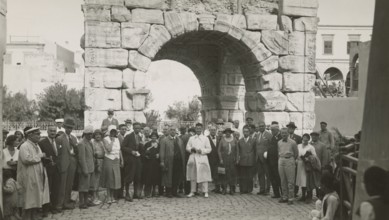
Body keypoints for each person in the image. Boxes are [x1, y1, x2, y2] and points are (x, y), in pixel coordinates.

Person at [17, 127, 50, 220]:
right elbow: (26, 159)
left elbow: (38, 157)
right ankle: (27, 217)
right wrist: (40, 156)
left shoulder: (36, 145)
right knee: (29, 197)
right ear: (30, 135)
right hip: (29, 175)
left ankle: (34, 215)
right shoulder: (24, 146)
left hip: (37, 175)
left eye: (39, 134)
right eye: (37, 134)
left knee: (36, 196)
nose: (39, 136)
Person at [55, 118, 78, 211]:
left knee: (69, 184)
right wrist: (59, 164)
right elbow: (58, 154)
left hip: (72, 162)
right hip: (64, 163)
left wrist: (74, 145)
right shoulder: (59, 138)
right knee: (62, 184)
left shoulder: (74, 138)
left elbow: (77, 151)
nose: (69, 129)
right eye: (68, 128)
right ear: (64, 128)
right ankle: (59, 204)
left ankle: (66, 202)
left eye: (71, 128)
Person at [186, 123, 212, 198]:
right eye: (197, 128)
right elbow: (187, 147)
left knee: (204, 174)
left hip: (202, 157)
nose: (198, 129)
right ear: (195, 129)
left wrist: (202, 151)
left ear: (202, 129)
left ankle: (205, 191)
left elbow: (209, 149)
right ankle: (192, 191)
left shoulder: (205, 138)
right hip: (193, 157)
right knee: (192, 175)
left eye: (200, 128)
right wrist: (191, 149)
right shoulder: (191, 138)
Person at [38, 125, 60, 214]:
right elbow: (40, 156)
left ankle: (54, 207)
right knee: (47, 189)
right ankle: (45, 209)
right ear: (47, 132)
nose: (52, 132)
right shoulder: (42, 143)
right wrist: (46, 161)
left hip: (57, 169)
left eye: (54, 131)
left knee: (55, 189)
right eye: (51, 131)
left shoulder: (58, 142)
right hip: (47, 169)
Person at [160, 127, 185, 198]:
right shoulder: (164, 140)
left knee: (176, 177)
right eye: (171, 130)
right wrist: (162, 161)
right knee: (168, 176)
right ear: (168, 131)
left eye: (174, 130)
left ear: (176, 131)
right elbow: (162, 151)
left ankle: (175, 191)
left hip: (178, 161)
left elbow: (182, 151)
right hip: (169, 161)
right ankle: (168, 192)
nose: (173, 131)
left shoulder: (179, 140)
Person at [100, 125, 122, 204]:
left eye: (114, 131)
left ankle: (112, 196)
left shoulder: (117, 139)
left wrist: (121, 160)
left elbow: (119, 150)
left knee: (115, 179)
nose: (113, 133)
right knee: (109, 178)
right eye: (111, 131)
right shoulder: (105, 139)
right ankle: (108, 196)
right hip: (109, 159)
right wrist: (112, 141)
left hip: (116, 160)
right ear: (109, 132)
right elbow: (108, 149)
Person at [121, 122, 144, 201]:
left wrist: (142, 147)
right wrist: (131, 151)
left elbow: (140, 148)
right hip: (130, 159)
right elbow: (123, 147)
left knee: (137, 176)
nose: (138, 129)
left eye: (139, 128)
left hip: (137, 159)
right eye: (136, 128)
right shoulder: (128, 136)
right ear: (133, 128)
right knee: (129, 177)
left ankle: (135, 193)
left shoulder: (140, 137)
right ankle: (127, 194)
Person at [278, 128, 298, 205]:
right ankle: (285, 197)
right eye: (282, 133)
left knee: (290, 180)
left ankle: (291, 198)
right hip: (281, 160)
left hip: (289, 160)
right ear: (280, 133)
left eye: (285, 133)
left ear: (288, 133)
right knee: (283, 180)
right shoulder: (279, 142)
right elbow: (278, 152)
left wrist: (291, 159)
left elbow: (296, 153)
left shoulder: (293, 142)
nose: (284, 134)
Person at [296, 134, 317, 203]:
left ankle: (309, 196)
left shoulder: (311, 147)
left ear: (308, 139)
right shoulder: (298, 146)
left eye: (306, 139)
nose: (305, 140)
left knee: (307, 180)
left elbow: (314, 156)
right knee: (301, 180)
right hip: (300, 164)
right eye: (304, 139)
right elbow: (296, 154)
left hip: (307, 165)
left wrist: (308, 158)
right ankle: (303, 195)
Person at [77, 126, 95, 209]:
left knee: (87, 186)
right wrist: (85, 170)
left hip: (90, 167)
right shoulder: (81, 143)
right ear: (84, 134)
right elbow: (81, 158)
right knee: (83, 186)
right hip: (85, 168)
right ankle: (81, 202)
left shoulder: (90, 142)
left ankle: (86, 201)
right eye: (88, 134)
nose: (90, 136)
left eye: (91, 134)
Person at [218, 128, 238, 195]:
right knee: (223, 174)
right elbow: (219, 150)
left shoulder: (234, 140)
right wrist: (221, 159)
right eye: (226, 132)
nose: (228, 133)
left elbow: (237, 151)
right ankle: (224, 189)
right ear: (225, 133)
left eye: (229, 132)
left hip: (232, 160)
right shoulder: (222, 140)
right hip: (224, 160)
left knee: (232, 174)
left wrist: (237, 159)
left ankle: (232, 189)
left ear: (231, 133)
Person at [255, 121, 272, 195]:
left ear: (265, 126)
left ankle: (267, 189)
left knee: (267, 174)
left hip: (265, 158)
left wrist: (268, 155)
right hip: (258, 158)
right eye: (260, 126)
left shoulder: (269, 135)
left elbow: (271, 146)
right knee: (260, 174)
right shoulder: (257, 135)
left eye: (262, 126)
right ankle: (262, 189)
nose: (261, 127)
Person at [237, 126, 256, 194]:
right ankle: (242, 189)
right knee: (242, 176)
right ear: (243, 132)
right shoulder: (240, 141)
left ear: (249, 132)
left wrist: (254, 160)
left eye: (247, 131)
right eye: (244, 131)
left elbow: (255, 151)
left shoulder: (253, 140)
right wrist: (238, 159)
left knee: (249, 176)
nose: (245, 133)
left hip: (250, 161)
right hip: (242, 160)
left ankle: (249, 189)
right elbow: (238, 151)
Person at [142, 132, 161, 198]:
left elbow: (160, 152)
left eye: (155, 137)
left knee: (155, 177)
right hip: (148, 163)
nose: (153, 138)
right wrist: (146, 155)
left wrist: (159, 155)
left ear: (157, 137)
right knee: (148, 177)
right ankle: (147, 192)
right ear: (151, 137)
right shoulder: (147, 144)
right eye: (152, 136)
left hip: (156, 163)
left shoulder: (158, 145)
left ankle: (154, 191)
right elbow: (143, 152)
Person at [89, 129, 105, 205]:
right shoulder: (92, 142)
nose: (98, 136)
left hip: (102, 161)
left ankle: (97, 195)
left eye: (99, 134)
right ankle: (94, 197)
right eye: (96, 135)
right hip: (95, 161)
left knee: (98, 180)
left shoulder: (102, 143)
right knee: (94, 180)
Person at [267, 123, 282, 198]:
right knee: (273, 177)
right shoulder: (273, 137)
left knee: (279, 177)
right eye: (271, 130)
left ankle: (282, 193)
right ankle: (276, 193)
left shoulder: (281, 137)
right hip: (270, 161)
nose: (271, 131)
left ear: (277, 130)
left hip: (277, 161)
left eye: (273, 130)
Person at [207, 126, 220, 193]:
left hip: (218, 159)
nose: (213, 131)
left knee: (218, 173)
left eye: (214, 130)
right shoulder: (206, 138)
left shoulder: (219, 138)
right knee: (211, 173)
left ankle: (218, 188)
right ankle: (207, 188)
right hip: (210, 158)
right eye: (212, 130)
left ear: (216, 131)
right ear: (209, 131)